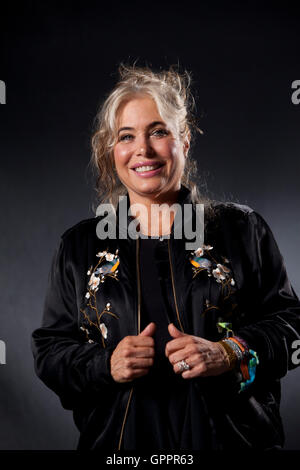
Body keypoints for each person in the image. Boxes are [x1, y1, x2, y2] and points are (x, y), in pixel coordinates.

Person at [31, 64, 300, 451]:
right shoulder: (79, 246)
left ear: (184, 140)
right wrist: (106, 365)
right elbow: (50, 352)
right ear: (112, 150)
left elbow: (292, 324)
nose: (143, 149)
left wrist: (229, 352)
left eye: (158, 131)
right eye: (127, 136)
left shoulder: (242, 229)